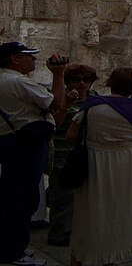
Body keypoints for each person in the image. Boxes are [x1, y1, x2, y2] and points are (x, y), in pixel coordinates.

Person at [68, 66, 132, 266]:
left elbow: (72, 136)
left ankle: (78, 258)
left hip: (94, 161)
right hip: (125, 164)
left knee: (89, 209)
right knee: (118, 210)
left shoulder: (92, 105)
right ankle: (109, 258)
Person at [0, 40, 68, 266]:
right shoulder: (18, 81)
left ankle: (13, 247)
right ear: (15, 59)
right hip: (24, 145)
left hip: (10, 142)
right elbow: (55, 103)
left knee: (14, 197)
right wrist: (59, 75)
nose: (34, 59)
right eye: (29, 55)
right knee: (22, 199)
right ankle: (13, 253)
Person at [46, 64, 98, 249]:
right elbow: (53, 125)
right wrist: (66, 105)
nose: (82, 84)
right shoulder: (59, 98)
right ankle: (59, 233)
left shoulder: (95, 99)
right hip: (63, 153)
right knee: (63, 197)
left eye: (86, 80)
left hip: (86, 153)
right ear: (68, 82)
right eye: (77, 80)